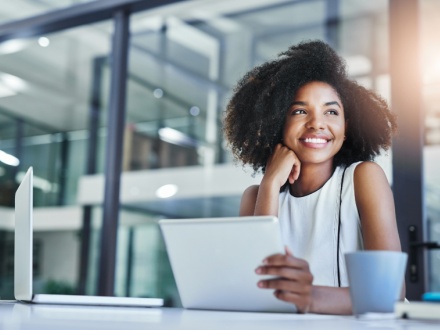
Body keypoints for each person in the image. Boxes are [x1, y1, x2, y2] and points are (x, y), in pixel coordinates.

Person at [223, 40, 403, 315]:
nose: (317, 123)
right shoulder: (255, 197)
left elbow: (389, 292)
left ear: (346, 126)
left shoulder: (363, 178)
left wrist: (310, 297)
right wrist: (270, 184)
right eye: (299, 111)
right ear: (276, 122)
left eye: (331, 112)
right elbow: (255, 291)